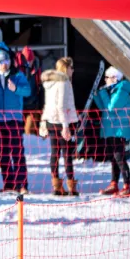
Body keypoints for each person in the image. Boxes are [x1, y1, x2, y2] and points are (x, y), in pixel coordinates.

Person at [0, 50, 32, 193]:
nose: (4, 65)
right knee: (3, 153)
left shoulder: (18, 76)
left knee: (17, 152)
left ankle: (22, 184)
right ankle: (9, 184)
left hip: (14, 120)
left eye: (6, 61)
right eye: (1, 62)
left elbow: (27, 91)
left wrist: (16, 88)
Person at [40, 57, 79, 196]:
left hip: (51, 121)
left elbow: (47, 104)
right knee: (67, 154)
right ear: (65, 69)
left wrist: (43, 121)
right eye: (71, 67)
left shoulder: (50, 82)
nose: (72, 70)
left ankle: (56, 185)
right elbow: (61, 106)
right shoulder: (63, 82)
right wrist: (65, 126)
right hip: (61, 122)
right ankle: (71, 185)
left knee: (54, 153)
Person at [93, 67, 130, 197]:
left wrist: (103, 94)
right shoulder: (111, 90)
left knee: (119, 157)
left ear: (115, 78)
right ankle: (114, 183)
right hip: (110, 128)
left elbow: (111, 107)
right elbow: (103, 108)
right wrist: (97, 95)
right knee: (113, 158)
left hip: (119, 130)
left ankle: (127, 185)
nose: (105, 80)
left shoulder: (121, 90)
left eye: (108, 77)